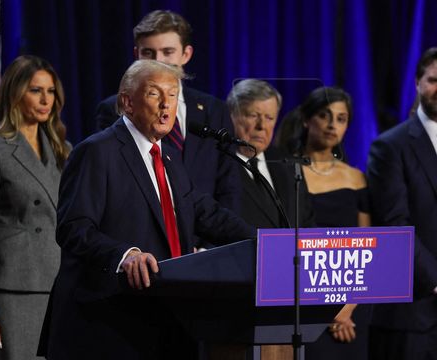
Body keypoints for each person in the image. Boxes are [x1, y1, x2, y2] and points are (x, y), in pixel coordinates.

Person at [37, 60, 255, 360]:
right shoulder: (97, 151)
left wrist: (265, 242)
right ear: (127, 102)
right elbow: (73, 227)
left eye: (173, 94)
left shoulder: (168, 158)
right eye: (154, 94)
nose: (167, 105)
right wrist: (125, 255)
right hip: (106, 323)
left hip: (161, 316)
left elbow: (206, 214)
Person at [0, 55, 70, 360]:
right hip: (11, 290)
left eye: (50, 91)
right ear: (15, 92)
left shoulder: (64, 151)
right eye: (36, 90)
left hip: (58, 286)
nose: (45, 99)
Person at [95, 10, 240, 214]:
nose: (158, 61)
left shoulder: (214, 110)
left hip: (207, 239)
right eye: (148, 53)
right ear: (136, 55)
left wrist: (212, 245)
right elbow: (113, 185)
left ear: (186, 54)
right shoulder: (115, 108)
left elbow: (228, 185)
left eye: (168, 52)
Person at [275, 86, 371, 360]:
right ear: (306, 119)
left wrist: (346, 308)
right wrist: (324, 309)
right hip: (302, 302)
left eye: (341, 119)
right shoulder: (284, 171)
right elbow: (284, 245)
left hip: (352, 306)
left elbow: (367, 247)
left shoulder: (356, 178)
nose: (332, 125)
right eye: (325, 115)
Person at [226, 79, 315, 360]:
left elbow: (308, 223)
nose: (261, 126)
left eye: (269, 117)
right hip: (237, 297)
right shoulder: (216, 167)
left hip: (289, 297)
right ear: (233, 116)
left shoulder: (288, 166)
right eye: (253, 115)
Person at [366, 47, 437, 360]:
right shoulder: (390, 146)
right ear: (418, 83)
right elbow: (396, 224)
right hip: (415, 313)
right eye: (434, 80)